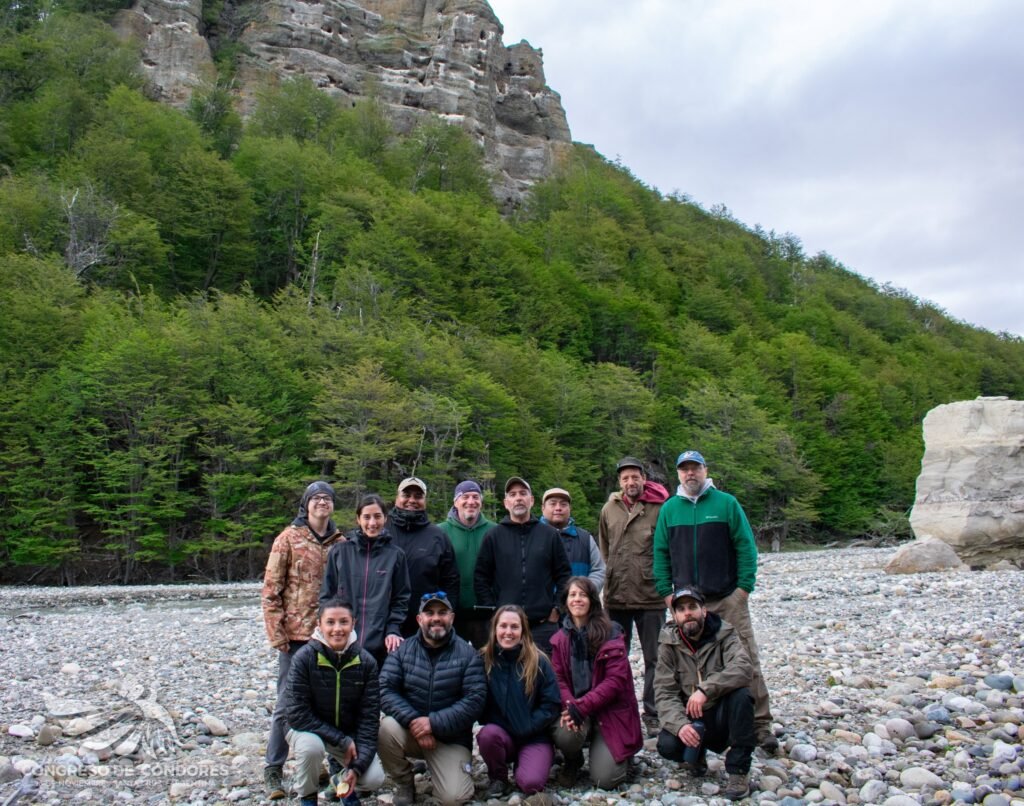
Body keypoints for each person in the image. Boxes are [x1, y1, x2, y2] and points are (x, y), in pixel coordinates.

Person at [652, 450, 776, 750]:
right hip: (686, 604)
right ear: (678, 474)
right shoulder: (670, 509)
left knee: (746, 658)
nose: (690, 474)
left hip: (725, 598)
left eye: (695, 468)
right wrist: (667, 593)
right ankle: (697, 721)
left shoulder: (726, 504)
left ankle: (760, 724)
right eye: (684, 469)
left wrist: (743, 589)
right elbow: (660, 553)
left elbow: (746, 546)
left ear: (705, 470)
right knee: (687, 662)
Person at [262, 480, 346, 800]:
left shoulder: (342, 542)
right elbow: (271, 590)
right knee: (286, 703)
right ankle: (273, 768)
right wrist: (276, 633)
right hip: (296, 636)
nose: (322, 503)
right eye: (316, 498)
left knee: (330, 703)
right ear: (306, 504)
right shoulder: (288, 538)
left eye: (327, 498)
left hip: (331, 636)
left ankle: (331, 765)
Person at [378, 593, 486, 806]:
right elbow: (384, 689)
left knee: (454, 798)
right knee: (384, 728)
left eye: (442, 613)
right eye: (429, 613)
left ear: (452, 618)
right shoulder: (402, 651)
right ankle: (404, 782)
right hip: (412, 731)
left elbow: (475, 701)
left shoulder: (469, 654)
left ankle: (445, 768)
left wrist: (433, 723)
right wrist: (415, 721)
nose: (436, 618)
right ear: (419, 619)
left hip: (450, 740)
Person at [654, 587, 755, 801]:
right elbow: (664, 693)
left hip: (720, 714)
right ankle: (696, 757)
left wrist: (705, 690)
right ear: (675, 616)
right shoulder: (667, 644)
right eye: (681, 609)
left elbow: (744, 667)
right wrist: (680, 725)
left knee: (742, 697)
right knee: (667, 745)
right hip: (691, 718)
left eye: (692, 607)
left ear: (704, 611)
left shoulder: (725, 633)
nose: (687, 613)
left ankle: (738, 772)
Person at [283, 599, 386, 806]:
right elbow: (297, 713)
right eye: (330, 622)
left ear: (353, 623)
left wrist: (356, 767)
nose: (337, 629)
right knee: (311, 748)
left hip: (347, 734)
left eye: (343, 622)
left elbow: (369, 719)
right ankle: (308, 796)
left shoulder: (366, 662)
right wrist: (341, 740)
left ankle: (342, 781)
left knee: (373, 778)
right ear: (319, 624)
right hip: (307, 729)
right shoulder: (304, 658)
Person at [597, 456, 670, 737]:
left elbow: (667, 550)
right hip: (616, 597)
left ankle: (652, 711)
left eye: (635, 477)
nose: (630, 482)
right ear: (620, 482)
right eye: (625, 478)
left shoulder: (659, 508)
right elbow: (603, 550)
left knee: (656, 657)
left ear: (643, 478)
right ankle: (620, 707)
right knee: (615, 656)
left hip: (650, 595)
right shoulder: (609, 509)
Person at [549, 577, 643, 789]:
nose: (577, 599)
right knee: (565, 735)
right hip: (577, 709)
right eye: (573, 595)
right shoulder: (560, 638)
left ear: (592, 600)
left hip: (609, 712)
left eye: (583, 595)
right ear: (566, 601)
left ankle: (622, 756)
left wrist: (581, 706)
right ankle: (573, 760)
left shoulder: (611, 633)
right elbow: (558, 679)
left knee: (605, 779)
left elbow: (614, 682)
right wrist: (571, 705)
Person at [473, 477, 571, 655]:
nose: (518, 498)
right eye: (512, 494)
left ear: (531, 500)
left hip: (543, 625)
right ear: (506, 503)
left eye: (523, 494)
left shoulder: (549, 535)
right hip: (506, 629)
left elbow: (564, 575)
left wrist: (558, 608)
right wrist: (493, 611)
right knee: (504, 679)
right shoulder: (493, 536)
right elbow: (481, 577)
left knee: (544, 678)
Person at [477, 605, 561, 803]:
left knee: (531, 784)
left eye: (514, 627)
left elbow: (551, 704)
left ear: (523, 631)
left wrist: (530, 725)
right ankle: (498, 777)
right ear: (494, 629)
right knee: (487, 735)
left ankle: (531, 762)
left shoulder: (539, 661)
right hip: (502, 734)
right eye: (503, 626)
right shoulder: (483, 660)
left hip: (534, 735)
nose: (508, 632)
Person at [320, 493, 410, 670]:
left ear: (385, 518)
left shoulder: (395, 555)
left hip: (380, 642)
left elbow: (401, 598)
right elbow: (327, 595)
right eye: (366, 517)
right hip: (343, 639)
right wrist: (329, 628)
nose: (372, 523)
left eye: (377, 516)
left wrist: (393, 628)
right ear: (358, 519)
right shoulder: (340, 552)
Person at [387, 477, 460, 638]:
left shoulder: (438, 536)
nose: (412, 500)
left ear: (424, 500)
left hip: (424, 626)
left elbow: (451, 581)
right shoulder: (382, 531)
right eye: (406, 495)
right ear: (397, 497)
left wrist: (445, 616)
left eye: (418, 496)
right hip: (383, 625)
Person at [437, 480, 496, 648]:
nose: (471, 501)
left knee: (487, 661)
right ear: (456, 502)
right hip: (452, 611)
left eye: (475, 497)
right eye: (465, 497)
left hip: (486, 613)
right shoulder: (440, 532)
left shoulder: (494, 531)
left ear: (481, 502)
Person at [540, 488, 606, 592]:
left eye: (563, 504)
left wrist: (584, 592)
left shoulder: (585, 538)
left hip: (577, 606)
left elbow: (599, 570)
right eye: (553, 504)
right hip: (541, 606)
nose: (558, 508)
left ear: (570, 508)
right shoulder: (533, 536)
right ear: (543, 508)